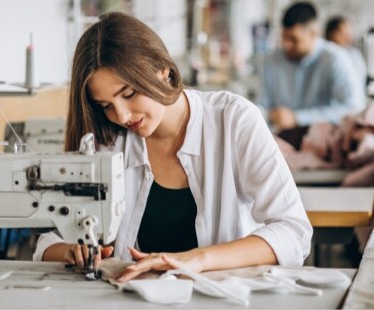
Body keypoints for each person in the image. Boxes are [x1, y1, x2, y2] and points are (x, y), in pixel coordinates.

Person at [33, 12, 312, 282]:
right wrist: (73, 250)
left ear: (162, 69)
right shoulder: (109, 139)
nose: (122, 116)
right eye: (106, 106)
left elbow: (294, 233)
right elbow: (50, 238)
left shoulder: (234, 120)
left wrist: (199, 259)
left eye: (129, 94)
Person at [257, 2, 365, 130]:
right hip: (281, 139)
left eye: (294, 39)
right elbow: (262, 105)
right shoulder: (274, 59)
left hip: (324, 142)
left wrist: (297, 118)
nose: (286, 45)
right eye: (284, 37)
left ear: (314, 33)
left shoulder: (336, 58)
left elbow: (352, 108)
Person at [325, 15, 367, 88]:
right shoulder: (325, 55)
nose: (349, 35)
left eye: (349, 31)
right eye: (343, 32)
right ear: (332, 33)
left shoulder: (354, 54)